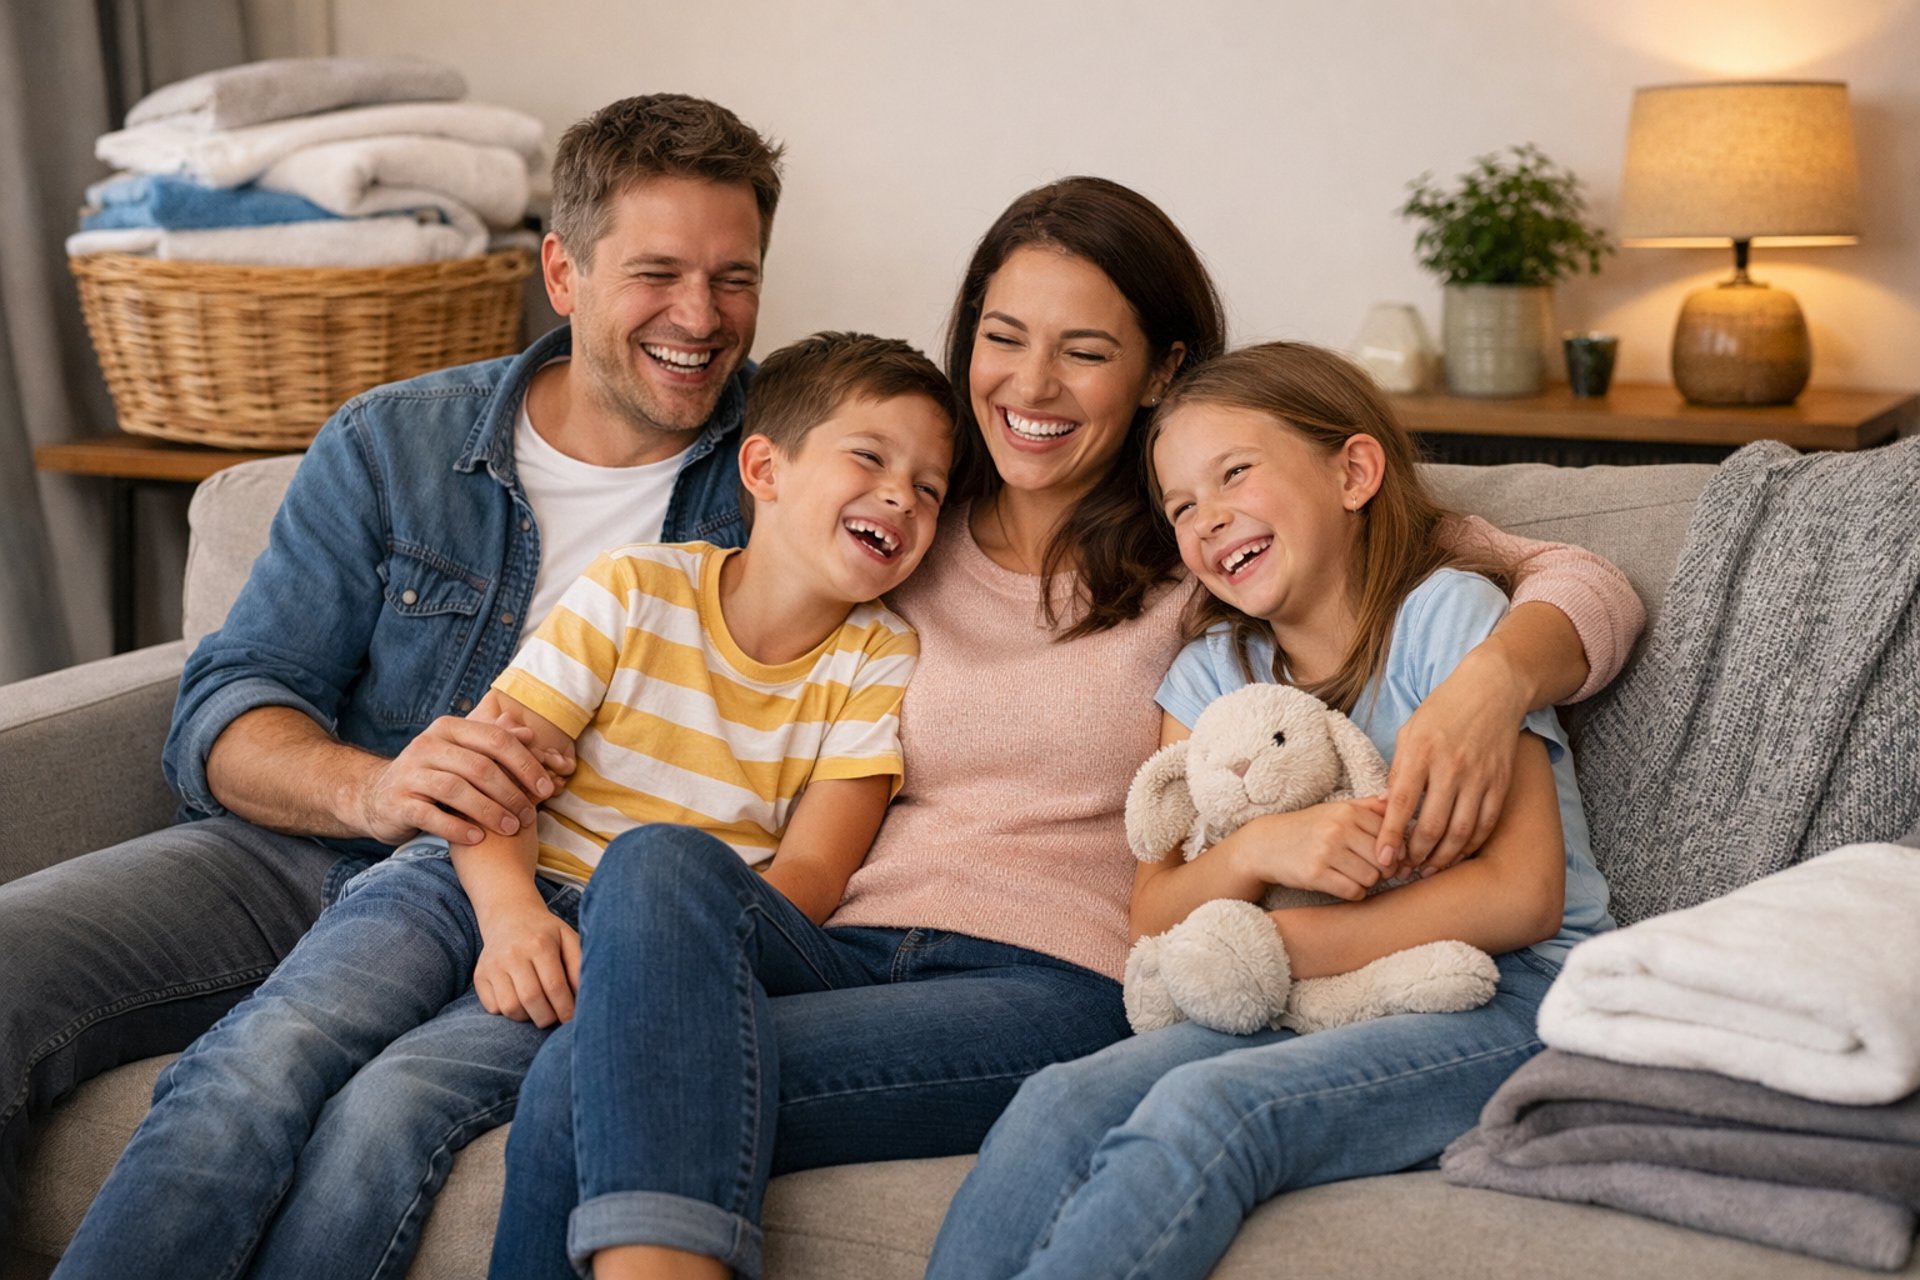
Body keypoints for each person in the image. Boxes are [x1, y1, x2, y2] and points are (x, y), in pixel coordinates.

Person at [485, 178, 1644, 1280]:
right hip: (850, 944)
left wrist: (1490, 680)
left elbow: (1567, 573)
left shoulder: (1210, 557)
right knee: (651, 878)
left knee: (584, 1085)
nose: (1030, 384)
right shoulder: (906, 512)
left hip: (1050, 974)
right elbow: (736, 586)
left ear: (1159, 370)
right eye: (1004, 335)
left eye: (1085, 350)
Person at [0, 92, 782, 1251]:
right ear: (563, 274)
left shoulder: (796, 473)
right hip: (305, 851)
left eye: (735, 278)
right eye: (658, 272)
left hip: (559, 897)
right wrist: (373, 789)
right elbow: (226, 706)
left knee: (296, 1084)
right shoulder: (394, 441)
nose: (701, 316)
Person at [54, 331, 955, 1278]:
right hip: (462, 878)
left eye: (931, 487)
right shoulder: (635, 587)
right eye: (871, 457)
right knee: (260, 1062)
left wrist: (654, 959)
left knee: (393, 1108)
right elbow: (490, 771)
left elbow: (809, 877)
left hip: (620, 948)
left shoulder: (879, 659)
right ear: (765, 468)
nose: (902, 494)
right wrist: (511, 914)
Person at [924, 340, 1617, 1280]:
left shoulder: (1447, 618)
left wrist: (1266, 955)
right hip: (1289, 1000)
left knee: (1201, 1113)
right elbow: (1153, 913)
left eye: (1236, 473)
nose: (1209, 519)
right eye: (1180, 506)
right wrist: (1259, 851)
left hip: (1508, 995)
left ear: (1355, 472)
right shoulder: (1209, 674)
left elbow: (1524, 896)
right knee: (1055, 1104)